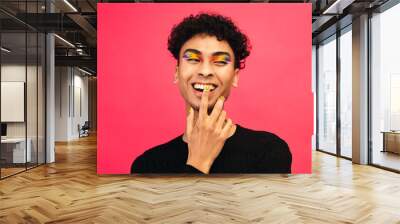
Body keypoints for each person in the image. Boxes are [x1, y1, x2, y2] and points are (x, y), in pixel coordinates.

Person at [131, 13, 291, 174]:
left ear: (235, 77)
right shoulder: (147, 164)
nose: (206, 71)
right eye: (193, 59)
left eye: (220, 61)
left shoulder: (269, 150)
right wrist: (199, 161)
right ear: (177, 73)